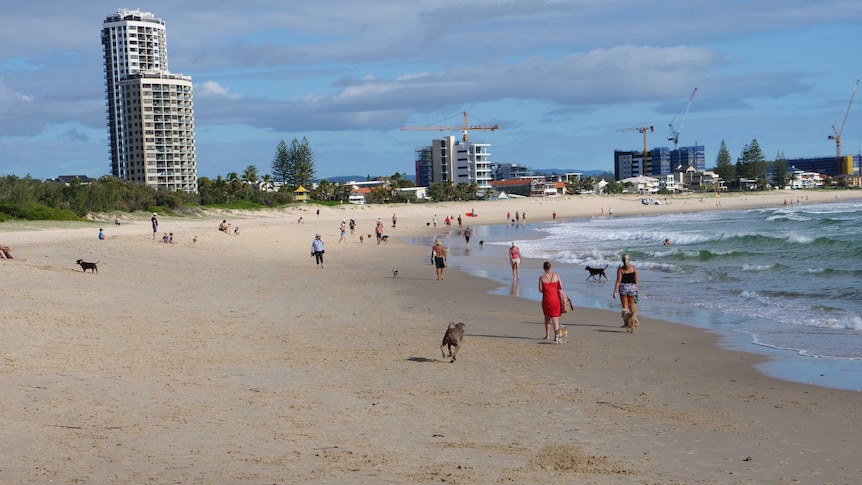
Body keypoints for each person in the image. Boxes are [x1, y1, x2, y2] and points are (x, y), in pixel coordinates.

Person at [539, 261, 563, 340]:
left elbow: (540, 290)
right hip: (555, 300)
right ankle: (556, 336)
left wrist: (547, 290)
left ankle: (547, 335)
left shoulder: (541, 278)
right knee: (555, 318)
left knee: (547, 318)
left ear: (543, 268)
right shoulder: (556, 275)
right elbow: (561, 287)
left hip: (546, 300)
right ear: (550, 267)